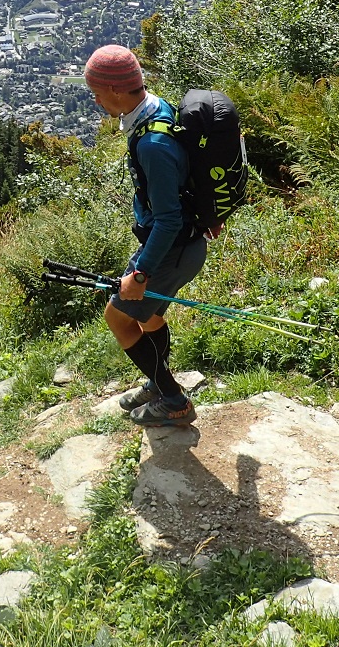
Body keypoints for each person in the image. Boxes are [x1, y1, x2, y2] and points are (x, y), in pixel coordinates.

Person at [83, 44, 206, 428]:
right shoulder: (156, 108)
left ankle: (174, 401)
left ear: (117, 91)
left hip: (172, 245)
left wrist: (140, 275)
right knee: (150, 316)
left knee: (118, 318)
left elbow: (168, 220)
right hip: (186, 241)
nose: (96, 101)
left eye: (97, 93)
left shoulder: (152, 144)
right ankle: (158, 382)